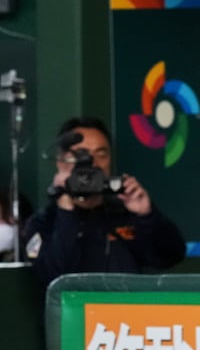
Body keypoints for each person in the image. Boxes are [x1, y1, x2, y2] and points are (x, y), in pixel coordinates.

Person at [23, 116, 187, 286]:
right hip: (75, 311)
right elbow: (53, 276)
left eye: (101, 154)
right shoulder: (43, 222)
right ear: (61, 162)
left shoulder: (124, 213)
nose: (93, 163)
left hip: (124, 310)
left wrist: (147, 214)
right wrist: (66, 207)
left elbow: (170, 256)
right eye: (81, 154)